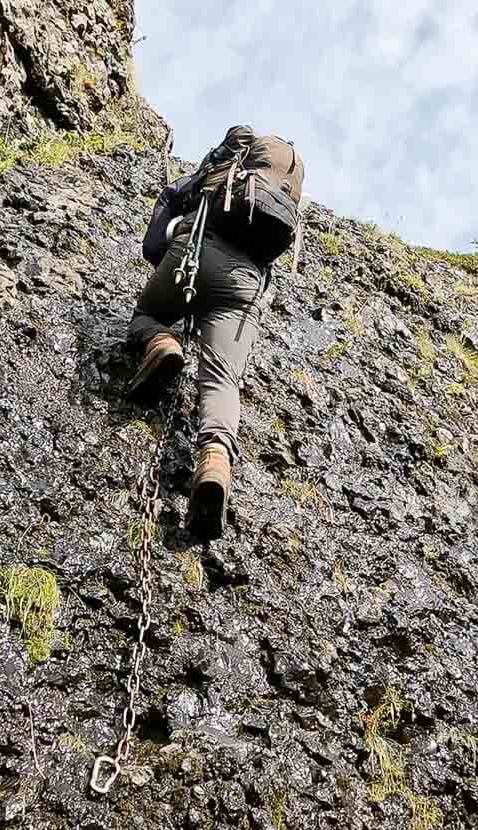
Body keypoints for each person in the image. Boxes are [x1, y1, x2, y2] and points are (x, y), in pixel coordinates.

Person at [127, 126, 304, 540]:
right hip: (245, 284)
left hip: (193, 251)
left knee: (146, 317)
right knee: (224, 379)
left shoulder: (218, 175)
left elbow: (157, 239)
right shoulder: (279, 200)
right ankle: (215, 463)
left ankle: (162, 344)